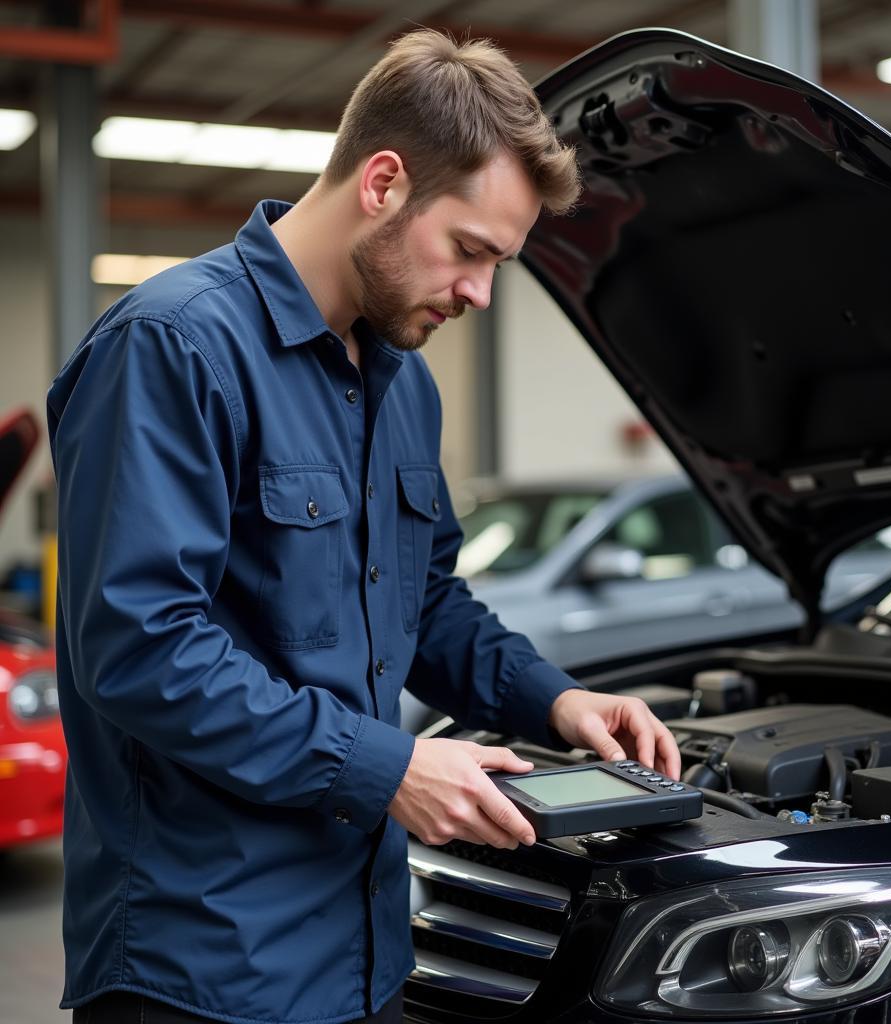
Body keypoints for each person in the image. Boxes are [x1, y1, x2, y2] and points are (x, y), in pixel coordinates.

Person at [47, 28, 681, 1024]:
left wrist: (557, 702)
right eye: (469, 250)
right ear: (383, 182)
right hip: (203, 966)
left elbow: (422, 600)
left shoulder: (402, 383)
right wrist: (386, 768)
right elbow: (138, 644)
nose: (477, 291)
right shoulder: (174, 345)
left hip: (368, 949)